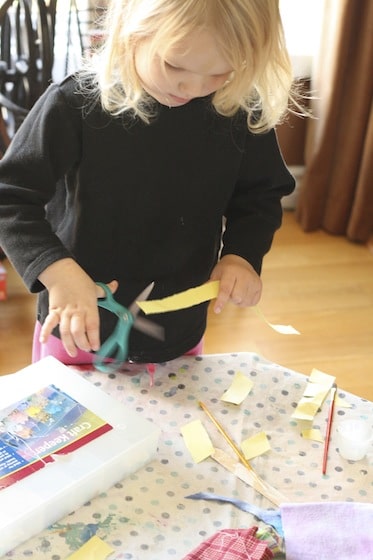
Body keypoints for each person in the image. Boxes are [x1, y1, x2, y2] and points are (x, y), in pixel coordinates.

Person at [0, 0, 297, 367]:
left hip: (177, 328)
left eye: (222, 72)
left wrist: (242, 255)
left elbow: (260, 195)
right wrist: (56, 271)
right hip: (78, 325)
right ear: (131, 32)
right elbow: (10, 198)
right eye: (174, 64)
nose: (194, 85)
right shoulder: (73, 104)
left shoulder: (237, 108)